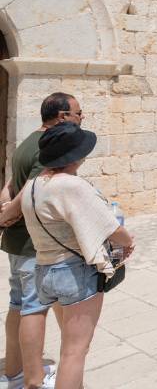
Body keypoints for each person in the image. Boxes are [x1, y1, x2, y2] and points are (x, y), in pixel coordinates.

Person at [19, 122, 134, 389]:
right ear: (73, 156)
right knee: (74, 352)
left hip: (45, 269)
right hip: (73, 272)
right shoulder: (72, 186)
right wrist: (128, 242)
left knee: (69, 346)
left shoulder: (34, 185)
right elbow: (108, 225)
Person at [0, 92, 84, 389]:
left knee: (17, 303)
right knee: (33, 308)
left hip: (15, 240)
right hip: (33, 241)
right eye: (77, 114)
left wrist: (5, 211)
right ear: (61, 117)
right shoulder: (46, 148)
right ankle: (33, 380)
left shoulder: (26, 142)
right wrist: (6, 215)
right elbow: (30, 190)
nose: (80, 118)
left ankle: (13, 370)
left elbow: (11, 184)